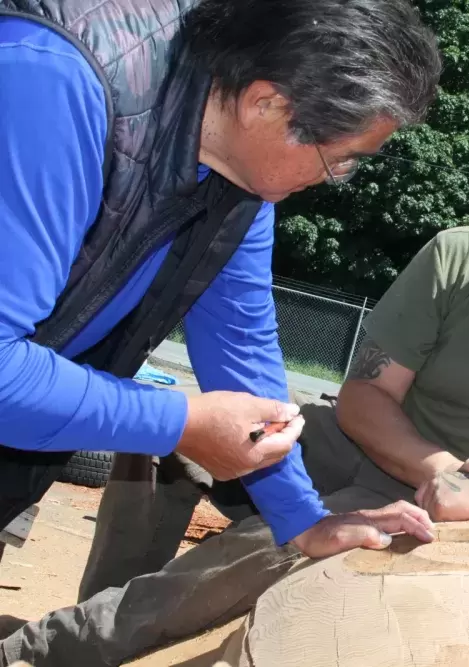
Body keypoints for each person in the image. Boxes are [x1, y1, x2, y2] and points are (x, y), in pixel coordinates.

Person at [1, 112, 469, 666]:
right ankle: (108, 615)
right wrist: (443, 469)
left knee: (269, 547)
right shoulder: (462, 254)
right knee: (175, 444)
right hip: (390, 445)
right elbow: (365, 400)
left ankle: (43, 649)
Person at [0, 0, 442, 600]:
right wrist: (180, 422)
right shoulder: (54, 82)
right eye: (339, 161)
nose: (333, 180)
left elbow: (240, 343)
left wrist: (303, 519)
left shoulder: (241, 172)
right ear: (269, 104)